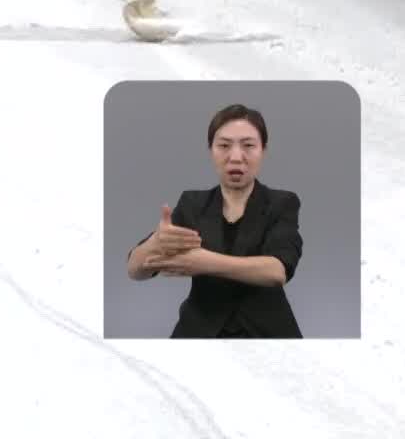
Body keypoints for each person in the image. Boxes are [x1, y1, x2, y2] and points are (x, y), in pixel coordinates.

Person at [125, 104, 304, 338]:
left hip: (267, 334)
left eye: (248, 145)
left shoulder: (282, 202)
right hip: (199, 330)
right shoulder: (192, 203)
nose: (236, 157)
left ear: (263, 150)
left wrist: (203, 262)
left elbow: (276, 271)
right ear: (211, 149)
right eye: (224, 146)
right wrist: (156, 241)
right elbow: (135, 271)